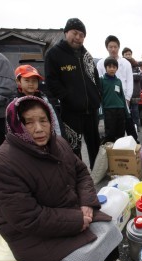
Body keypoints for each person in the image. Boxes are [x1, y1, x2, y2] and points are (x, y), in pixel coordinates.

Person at [0, 96, 125, 261]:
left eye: (43, 120)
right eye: (28, 122)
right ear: (15, 124)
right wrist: (78, 219)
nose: (39, 128)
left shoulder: (58, 142)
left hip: (72, 210)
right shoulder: (2, 164)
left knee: (109, 225)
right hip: (32, 233)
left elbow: (81, 172)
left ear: (51, 120)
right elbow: (28, 218)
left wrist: (86, 203)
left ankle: (107, 259)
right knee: (78, 259)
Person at [44, 18, 101, 169]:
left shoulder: (87, 55)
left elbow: (95, 78)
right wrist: (69, 98)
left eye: (82, 35)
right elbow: (51, 82)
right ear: (66, 32)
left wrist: (98, 97)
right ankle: (77, 175)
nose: (78, 38)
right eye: (75, 33)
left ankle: (97, 172)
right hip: (71, 110)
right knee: (73, 146)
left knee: (95, 143)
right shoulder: (54, 55)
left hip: (92, 110)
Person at [97, 36, 138, 143]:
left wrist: (128, 98)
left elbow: (130, 81)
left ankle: (134, 144)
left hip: (123, 99)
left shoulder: (126, 63)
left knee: (128, 123)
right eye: (110, 47)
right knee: (110, 127)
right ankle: (112, 148)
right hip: (109, 102)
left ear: (118, 47)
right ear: (107, 48)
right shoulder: (101, 63)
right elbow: (99, 84)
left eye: (115, 46)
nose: (113, 49)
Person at [14, 64, 62, 136]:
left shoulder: (44, 99)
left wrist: (58, 137)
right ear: (18, 81)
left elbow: (55, 120)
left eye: (34, 81)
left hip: (45, 137)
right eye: (27, 80)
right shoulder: (15, 103)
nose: (31, 84)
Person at [100, 57, 130, 142]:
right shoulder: (102, 80)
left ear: (117, 68)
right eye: (109, 67)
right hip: (108, 109)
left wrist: (126, 112)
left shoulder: (118, 81)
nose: (112, 69)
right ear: (106, 68)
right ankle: (110, 151)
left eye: (114, 67)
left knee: (120, 132)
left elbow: (122, 97)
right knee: (110, 132)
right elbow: (99, 96)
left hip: (120, 109)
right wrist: (100, 112)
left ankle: (119, 151)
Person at [122, 47, 141, 130]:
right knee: (126, 111)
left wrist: (129, 76)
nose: (128, 56)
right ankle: (127, 127)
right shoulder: (120, 64)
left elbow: (139, 76)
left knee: (135, 111)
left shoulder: (136, 65)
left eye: (129, 54)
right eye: (126, 54)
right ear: (123, 55)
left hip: (135, 92)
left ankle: (136, 126)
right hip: (124, 92)